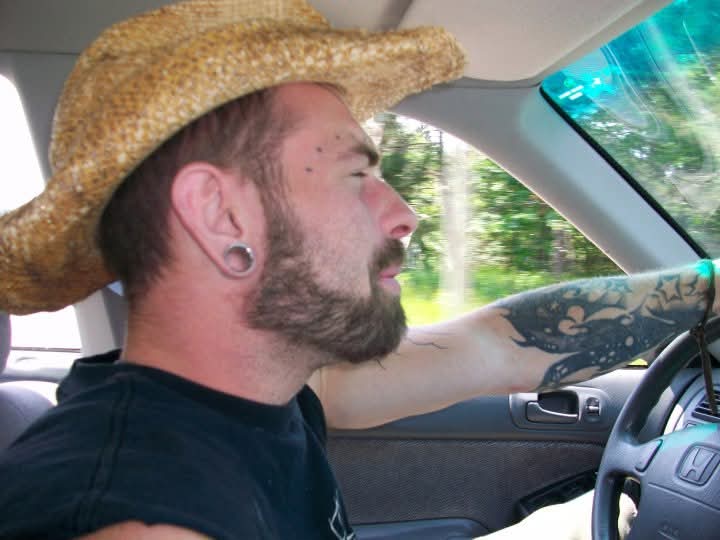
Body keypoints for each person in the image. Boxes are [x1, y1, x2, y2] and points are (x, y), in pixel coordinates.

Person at [0, 0, 713, 538]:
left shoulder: (270, 396)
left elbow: (497, 345)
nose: (404, 214)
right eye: (355, 175)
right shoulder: (138, 515)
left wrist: (709, 285)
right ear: (222, 217)